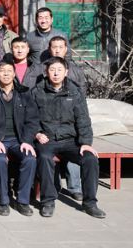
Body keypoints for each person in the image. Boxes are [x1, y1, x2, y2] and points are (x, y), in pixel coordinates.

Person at [32, 56, 105, 218]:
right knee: (44, 157)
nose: (55, 73)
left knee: (90, 159)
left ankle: (90, 203)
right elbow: (30, 117)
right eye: (52, 70)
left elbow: (83, 119)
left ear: (66, 72)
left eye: (59, 70)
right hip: (47, 139)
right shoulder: (37, 92)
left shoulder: (75, 91)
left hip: (71, 139)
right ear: (46, 72)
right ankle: (47, 201)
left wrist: (86, 142)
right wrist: (37, 133)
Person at [0, 61, 38, 216]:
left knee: (30, 158)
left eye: (9, 71)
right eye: (2, 70)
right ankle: (4, 201)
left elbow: (32, 120)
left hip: (19, 139)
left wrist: (27, 141)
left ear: (14, 74)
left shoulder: (24, 92)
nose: (5, 73)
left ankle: (22, 201)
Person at [48, 35, 87, 201]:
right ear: (50, 49)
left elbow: (82, 96)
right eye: (54, 47)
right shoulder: (45, 68)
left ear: (66, 49)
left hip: (70, 120)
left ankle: (75, 187)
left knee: (75, 147)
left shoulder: (75, 70)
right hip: (50, 121)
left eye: (60, 47)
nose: (57, 50)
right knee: (48, 151)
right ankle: (54, 186)